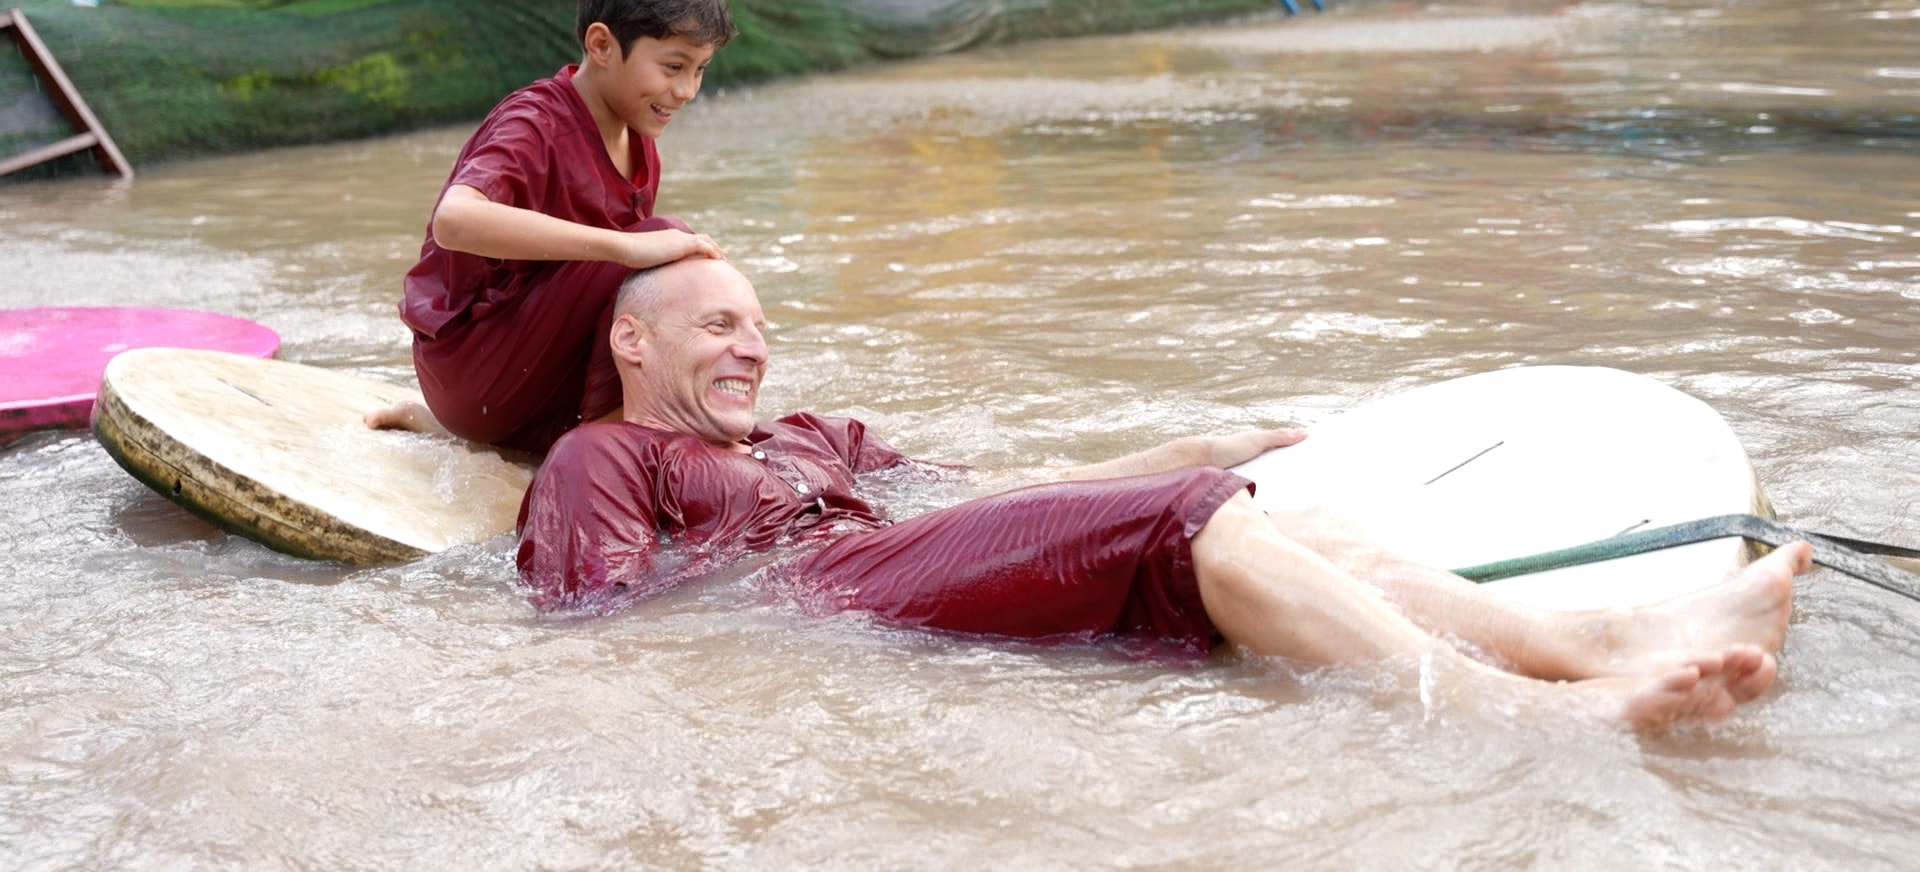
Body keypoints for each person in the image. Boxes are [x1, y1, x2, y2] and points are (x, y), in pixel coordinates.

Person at [515, 256, 1815, 731]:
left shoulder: (812, 436)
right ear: (634, 343)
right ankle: (1533, 715)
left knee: (1289, 517)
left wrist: (1203, 443)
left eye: (759, 326)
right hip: (809, 593)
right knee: (1190, 521)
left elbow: (1017, 493)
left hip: (893, 551)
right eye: (719, 326)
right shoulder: (602, 459)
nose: (753, 347)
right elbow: (601, 629)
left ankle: (1587, 638)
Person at [365, 0, 732, 454]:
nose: (688, 89)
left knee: (670, 271)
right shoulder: (536, 123)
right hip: (473, 372)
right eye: (673, 67)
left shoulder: (638, 137)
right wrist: (625, 246)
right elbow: (454, 219)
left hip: (521, 380)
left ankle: (462, 427)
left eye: (700, 69)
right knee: (662, 241)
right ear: (601, 45)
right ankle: (607, 451)